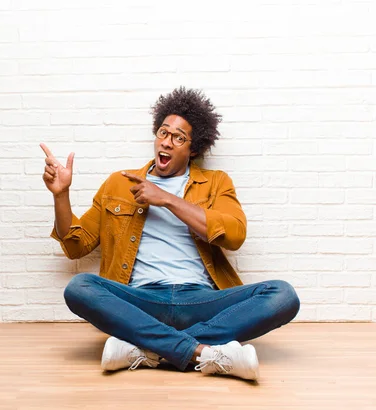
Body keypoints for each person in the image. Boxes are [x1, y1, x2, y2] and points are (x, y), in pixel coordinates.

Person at [40, 87, 300, 381]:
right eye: (163, 133)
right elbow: (76, 245)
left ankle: (148, 349)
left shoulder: (215, 183)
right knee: (79, 287)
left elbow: (235, 234)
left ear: (193, 149)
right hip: (139, 301)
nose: (167, 142)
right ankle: (204, 353)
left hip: (200, 302)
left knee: (283, 295)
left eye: (179, 138)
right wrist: (61, 196)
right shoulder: (117, 184)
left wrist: (166, 199)